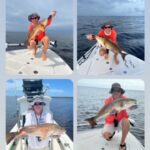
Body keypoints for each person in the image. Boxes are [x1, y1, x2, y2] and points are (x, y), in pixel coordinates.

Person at [87, 83, 130, 150]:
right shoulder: (107, 100)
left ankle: (122, 143)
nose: (116, 92)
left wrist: (132, 106)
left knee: (126, 121)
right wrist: (111, 114)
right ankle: (111, 133)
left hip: (121, 121)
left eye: (118, 90)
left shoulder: (124, 99)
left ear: (121, 92)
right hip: (111, 122)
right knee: (106, 136)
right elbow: (105, 113)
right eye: (114, 90)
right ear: (112, 92)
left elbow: (129, 109)